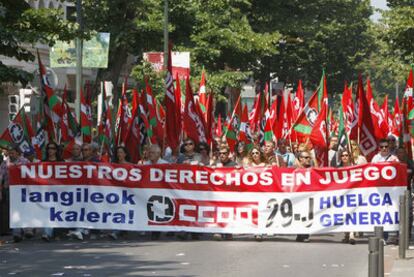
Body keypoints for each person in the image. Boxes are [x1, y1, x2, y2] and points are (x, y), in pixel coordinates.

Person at [0, 146, 31, 242]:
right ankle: (16, 233)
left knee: (25, 209)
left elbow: (32, 174)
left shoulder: (25, 162)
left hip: (24, 189)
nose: (11, 154)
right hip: (10, 189)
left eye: (13, 152)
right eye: (10, 152)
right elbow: (1, 177)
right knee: (14, 211)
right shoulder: (5, 163)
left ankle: (27, 230)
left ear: (18, 153)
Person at [42, 142, 64, 242]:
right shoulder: (43, 162)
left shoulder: (61, 162)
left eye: (52, 148)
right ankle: (47, 233)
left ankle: (57, 233)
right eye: (48, 148)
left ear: (56, 150)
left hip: (59, 192)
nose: (50, 150)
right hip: (47, 192)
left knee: (58, 213)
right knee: (48, 212)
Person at [337, 149, 357, 245]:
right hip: (342, 194)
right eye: (343, 155)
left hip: (352, 193)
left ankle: (352, 234)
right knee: (344, 214)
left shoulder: (355, 168)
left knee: (351, 213)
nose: (345, 157)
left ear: (349, 156)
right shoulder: (338, 169)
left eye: (346, 155)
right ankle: (346, 234)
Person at [295, 150, 312, 243]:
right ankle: (299, 234)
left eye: (309, 157)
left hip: (308, 196)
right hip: (297, 196)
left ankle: (305, 234)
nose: (308, 159)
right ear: (300, 159)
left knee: (307, 215)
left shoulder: (312, 169)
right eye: (305, 158)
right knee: (298, 215)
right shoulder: (294, 169)